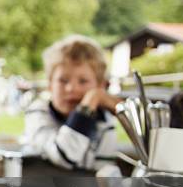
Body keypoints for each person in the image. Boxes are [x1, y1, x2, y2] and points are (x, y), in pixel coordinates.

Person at [23, 35, 121, 170]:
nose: (71, 88)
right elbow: (64, 155)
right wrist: (88, 104)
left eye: (83, 81)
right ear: (50, 85)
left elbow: (101, 175)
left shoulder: (104, 124)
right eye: (63, 80)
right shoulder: (38, 113)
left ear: (100, 86)